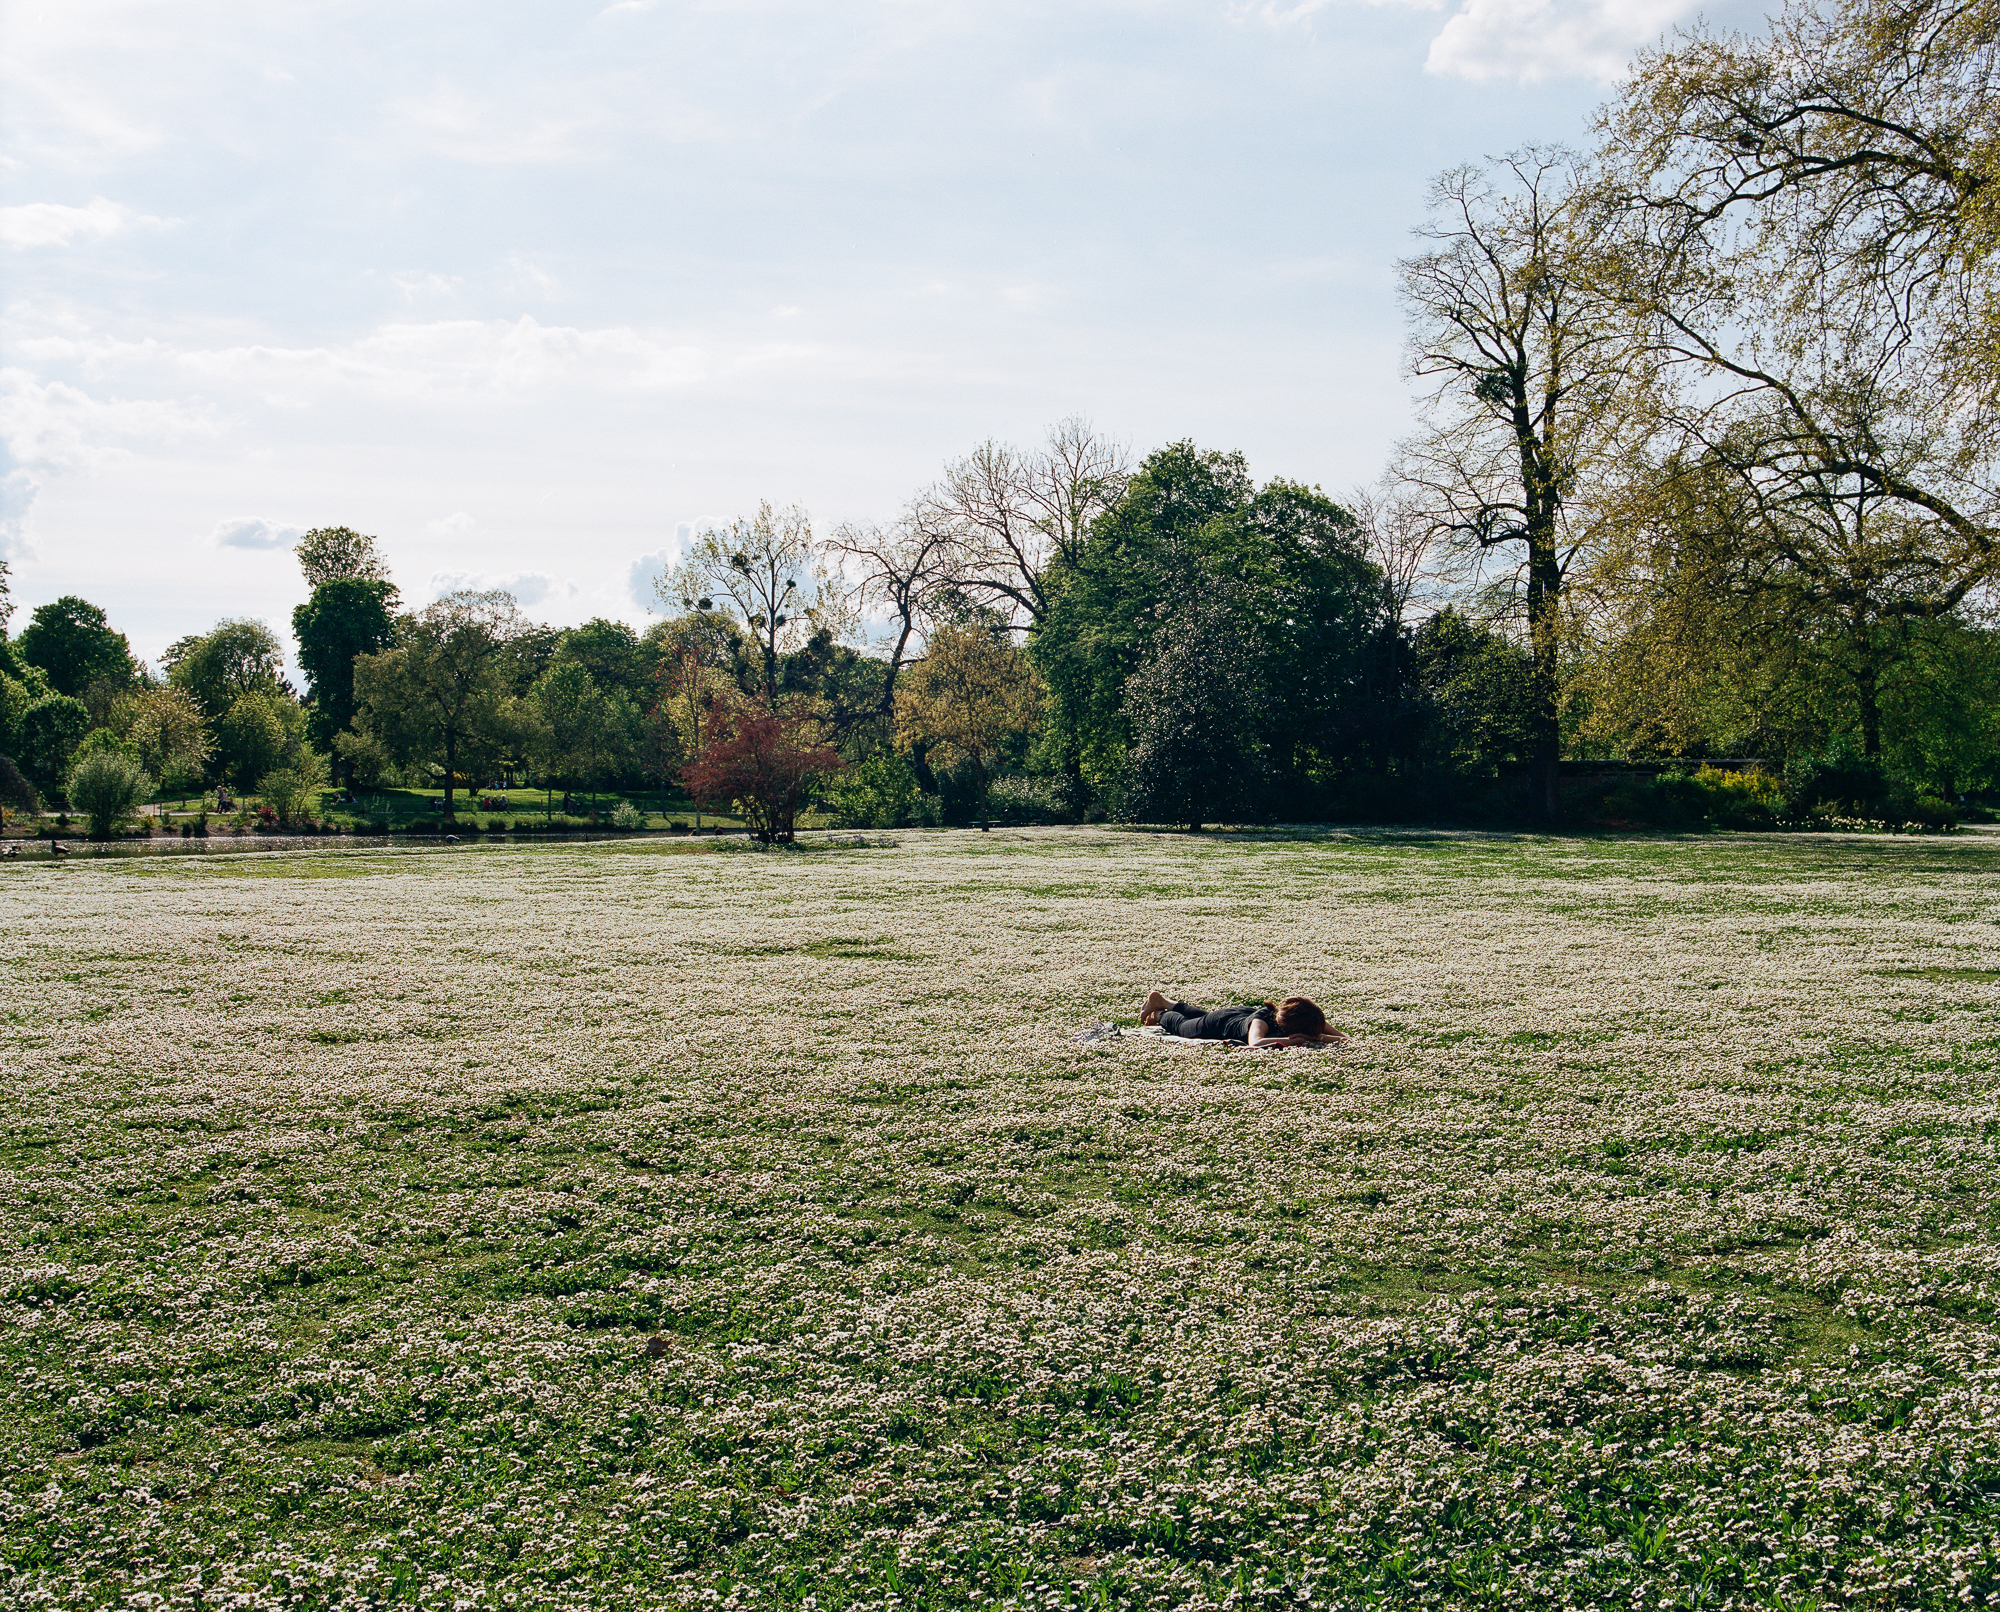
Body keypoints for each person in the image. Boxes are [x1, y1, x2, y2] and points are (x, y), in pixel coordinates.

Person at [1139, 990, 1345, 1048]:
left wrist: (1321, 1037)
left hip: (1236, 1015)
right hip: (1218, 1024)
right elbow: (1255, 1042)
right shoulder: (1261, 1023)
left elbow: (1344, 1039)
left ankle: (1165, 1000)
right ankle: (1161, 1013)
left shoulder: (1310, 1020)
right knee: (1185, 1026)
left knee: (1202, 1015)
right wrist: (1293, 1041)